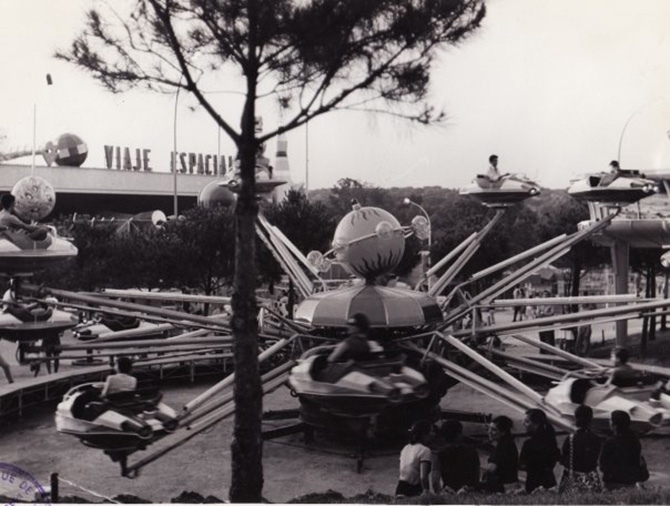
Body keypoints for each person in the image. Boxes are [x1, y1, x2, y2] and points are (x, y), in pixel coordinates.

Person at [599, 410, 649, 491]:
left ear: (614, 425)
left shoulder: (610, 442)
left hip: (612, 485)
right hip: (631, 483)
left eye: (611, 420)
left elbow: (602, 465)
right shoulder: (635, 441)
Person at [558, 405, 602, 493]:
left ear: (576, 418)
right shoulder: (596, 438)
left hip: (573, 478)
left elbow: (564, 458)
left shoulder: (570, 438)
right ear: (590, 419)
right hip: (591, 478)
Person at [431, 419, 480, 494]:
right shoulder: (473, 452)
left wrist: (439, 493)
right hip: (468, 490)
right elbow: (476, 479)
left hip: (449, 490)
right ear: (458, 435)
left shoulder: (440, 454)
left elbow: (435, 481)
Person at [519, 409, 560, 493]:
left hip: (532, 484)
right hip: (549, 483)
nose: (523, 423)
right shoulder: (551, 441)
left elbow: (521, 464)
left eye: (527, 421)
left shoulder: (528, 444)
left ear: (536, 424)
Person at [395, 420, 434, 498]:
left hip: (400, 488)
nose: (433, 434)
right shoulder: (425, 450)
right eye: (431, 432)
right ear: (424, 435)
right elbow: (423, 477)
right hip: (414, 490)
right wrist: (427, 492)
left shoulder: (405, 448)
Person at [483, 415, 518, 493]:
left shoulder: (502, 446)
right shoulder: (509, 443)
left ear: (503, 432)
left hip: (504, 488)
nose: (489, 432)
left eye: (494, 430)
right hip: (510, 485)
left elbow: (491, 469)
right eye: (489, 428)